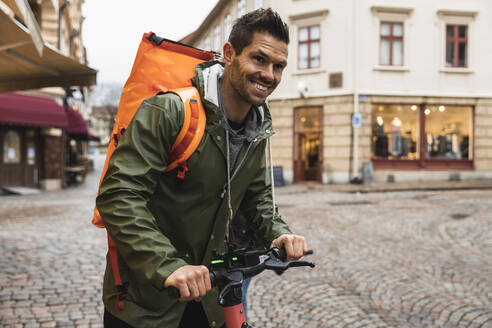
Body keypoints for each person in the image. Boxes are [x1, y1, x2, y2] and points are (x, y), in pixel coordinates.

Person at [96, 8, 308, 328]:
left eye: (279, 66)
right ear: (229, 54)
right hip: (146, 302)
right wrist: (168, 266)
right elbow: (118, 197)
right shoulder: (170, 111)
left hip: (210, 300)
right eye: (259, 59)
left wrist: (279, 233)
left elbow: (257, 198)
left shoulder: (258, 126)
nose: (269, 74)